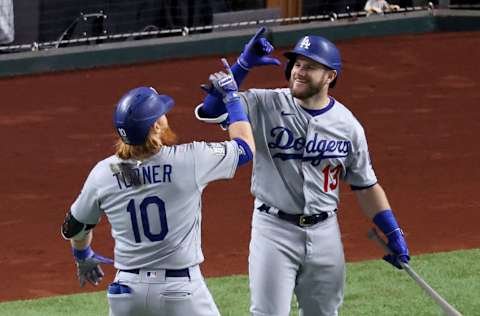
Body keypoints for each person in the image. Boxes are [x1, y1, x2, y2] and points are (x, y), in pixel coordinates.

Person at [195, 27, 410, 316]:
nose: (299, 71)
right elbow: (212, 109)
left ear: (330, 76)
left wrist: (392, 230)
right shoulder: (265, 103)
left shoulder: (348, 126)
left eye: (309, 67)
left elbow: (365, 185)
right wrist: (243, 66)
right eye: (296, 64)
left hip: (325, 234)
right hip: (273, 231)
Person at [61, 59, 255, 316]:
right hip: (181, 291)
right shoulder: (190, 159)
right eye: (161, 113)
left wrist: (83, 256)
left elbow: (75, 226)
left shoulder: (104, 172)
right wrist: (232, 98)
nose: (165, 115)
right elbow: (244, 148)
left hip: (126, 294)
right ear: (156, 126)